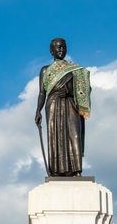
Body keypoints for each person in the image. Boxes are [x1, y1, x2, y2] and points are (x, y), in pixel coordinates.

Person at [35, 38, 91, 176]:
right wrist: (38, 111)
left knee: (74, 135)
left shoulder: (74, 70)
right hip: (53, 103)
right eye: (58, 47)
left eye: (64, 47)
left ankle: (77, 170)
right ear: (51, 50)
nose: (61, 50)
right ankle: (56, 171)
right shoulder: (45, 70)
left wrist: (74, 91)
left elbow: (85, 88)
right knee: (55, 136)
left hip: (71, 103)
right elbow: (42, 93)